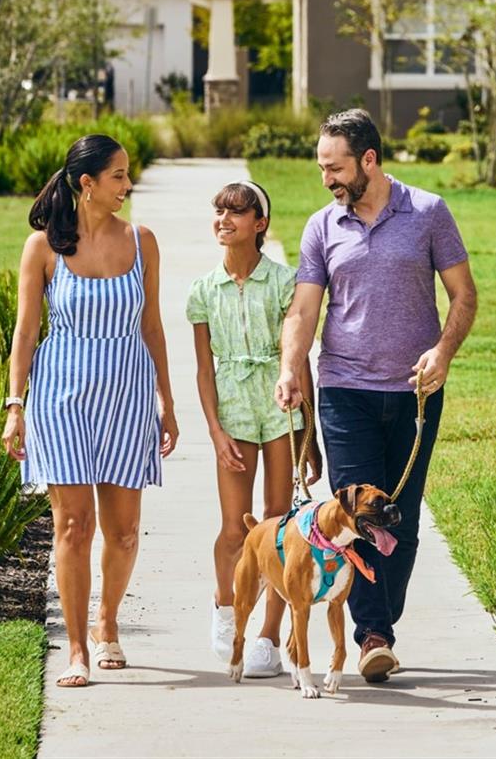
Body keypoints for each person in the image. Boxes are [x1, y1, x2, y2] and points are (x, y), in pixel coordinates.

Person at [275, 109, 477, 682]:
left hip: (414, 396)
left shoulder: (429, 213)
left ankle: (380, 624)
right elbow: (304, 309)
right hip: (345, 391)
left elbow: (463, 295)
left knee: (401, 520)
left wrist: (442, 353)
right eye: (321, 168)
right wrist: (293, 367)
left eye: (335, 168)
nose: (327, 180)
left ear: (369, 160)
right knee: (359, 517)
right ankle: (373, 635)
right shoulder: (322, 226)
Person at [2, 134, 179, 688]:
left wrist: (167, 403)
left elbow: (152, 326)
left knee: (123, 532)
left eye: (127, 175)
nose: (127, 186)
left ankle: (108, 624)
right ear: (87, 184)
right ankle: (77, 648)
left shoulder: (141, 241)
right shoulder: (44, 247)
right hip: (61, 398)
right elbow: (26, 332)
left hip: (128, 395)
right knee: (74, 526)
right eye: (119, 176)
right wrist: (15, 405)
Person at [188, 179, 321, 679]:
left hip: (281, 409)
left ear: (259, 224)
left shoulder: (286, 282)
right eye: (219, 211)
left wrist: (309, 435)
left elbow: (300, 358)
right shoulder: (203, 290)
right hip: (234, 410)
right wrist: (215, 431)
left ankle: (269, 633)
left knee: (278, 523)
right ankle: (228, 609)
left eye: (236, 213)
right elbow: (203, 370)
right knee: (234, 525)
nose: (224, 220)